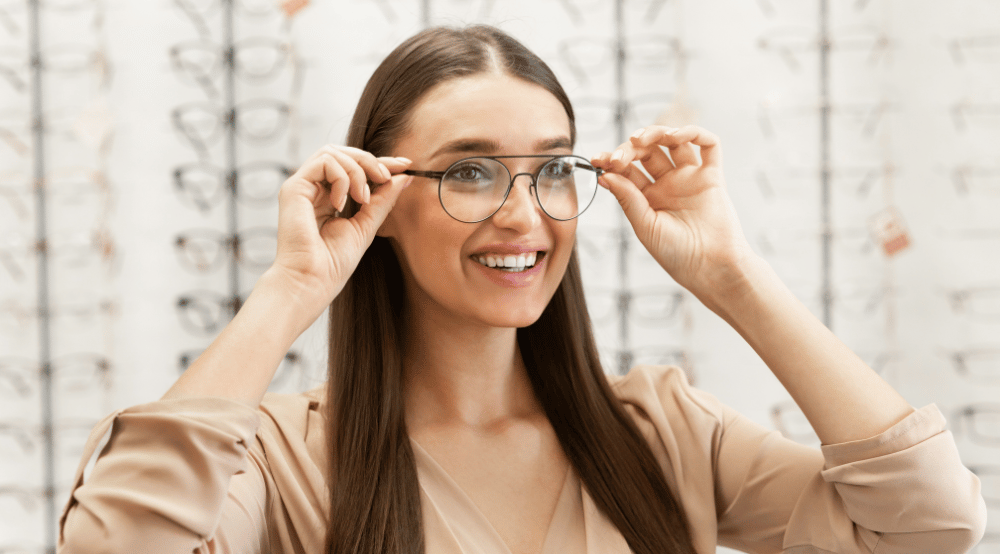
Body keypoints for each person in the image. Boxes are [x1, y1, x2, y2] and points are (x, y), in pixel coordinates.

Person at [58, 25, 986, 554]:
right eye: (468, 173)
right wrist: (294, 285)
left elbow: (930, 527)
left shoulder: (662, 432)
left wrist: (732, 276)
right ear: (382, 202)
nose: (524, 215)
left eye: (550, 171)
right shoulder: (273, 461)